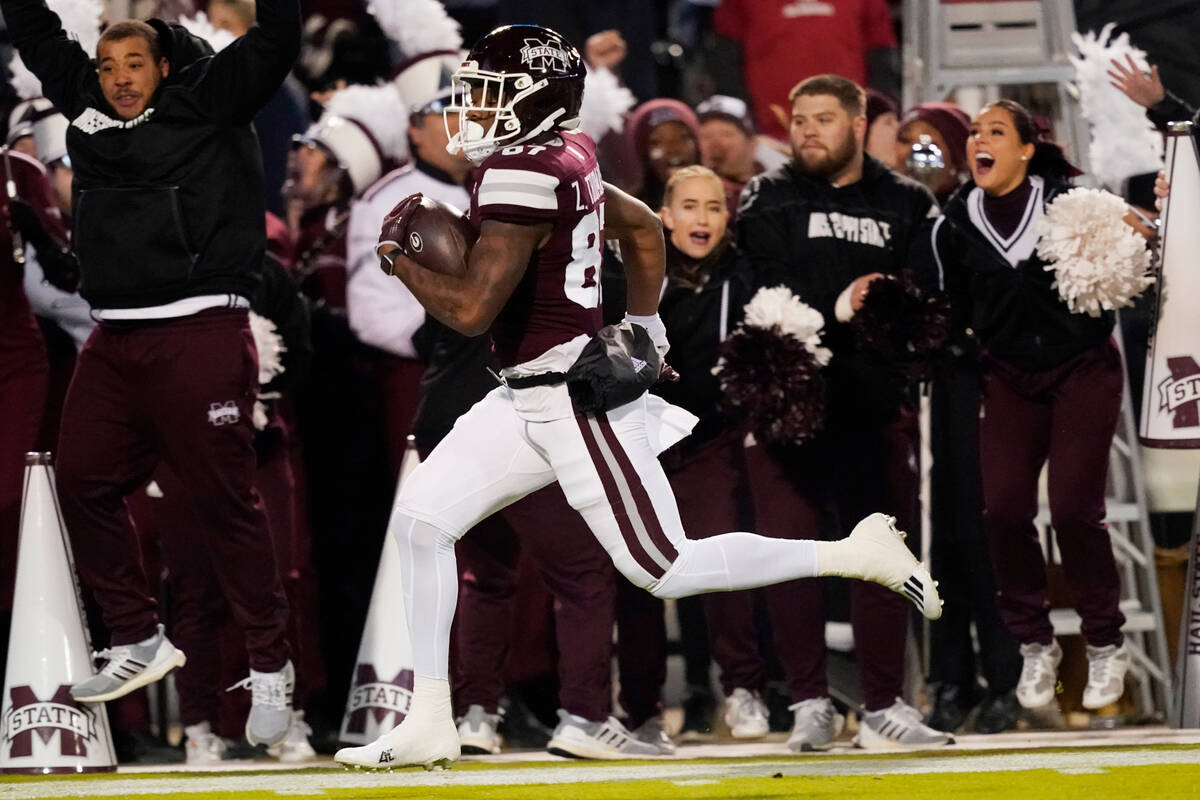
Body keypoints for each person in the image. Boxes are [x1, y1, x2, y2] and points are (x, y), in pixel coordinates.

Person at [332, 24, 941, 771]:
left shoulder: (524, 172)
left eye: (489, 90)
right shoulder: (571, 153)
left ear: (531, 98)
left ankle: (854, 553)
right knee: (424, 519)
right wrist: (646, 328)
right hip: (524, 393)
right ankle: (431, 716)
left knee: (663, 566)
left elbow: (469, 311)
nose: (474, 106)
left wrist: (400, 262)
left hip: (569, 399)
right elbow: (645, 228)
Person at [0, 0, 301, 746]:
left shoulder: (210, 96)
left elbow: (277, 37)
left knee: (225, 505)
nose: (119, 79)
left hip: (200, 327)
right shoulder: (88, 111)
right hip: (116, 337)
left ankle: (271, 668)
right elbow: (38, 35)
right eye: (106, 66)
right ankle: (138, 636)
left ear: (165, 67)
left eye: (134, 64)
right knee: (80, 482)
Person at [736, 73, 952, 750]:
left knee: (882, 555)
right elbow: (763, 288)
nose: (806, 131)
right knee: (792, 556)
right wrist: (845, 302)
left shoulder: (905, 200)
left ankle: (887, 705)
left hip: (873, 404)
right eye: (799, 119)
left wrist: (879, 307)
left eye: (823, 119)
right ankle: (808, 703)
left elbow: (922, 302)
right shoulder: (766, 197)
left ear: (858, 125)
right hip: (788, 407)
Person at [931, 99, 1131, 714]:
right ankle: (1033, 641)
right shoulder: (955, 217)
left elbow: (1123, 269)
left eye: (995, 132)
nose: (979, 142)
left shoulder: (1073, 199)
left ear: (1025, 147)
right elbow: (952, 310)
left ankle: (1104, 641)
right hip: (1010, 377)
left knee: (1073, 508)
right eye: (972, 133)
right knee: (1003, 509)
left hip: (1083, 369)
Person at [713, 0, 899, 140]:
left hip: (846, 133)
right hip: (770, 136)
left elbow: (880, 60)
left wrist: (875, 121)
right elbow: (726, 61)